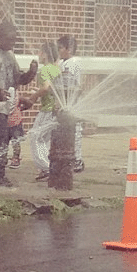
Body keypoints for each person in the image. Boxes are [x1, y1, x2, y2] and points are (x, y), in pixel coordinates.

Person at [0, 20, 37, 187]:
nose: (12, 43)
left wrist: (32, 72)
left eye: (14, 40)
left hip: (5, 107)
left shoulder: (10, 55)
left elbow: (19, 79)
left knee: (3, 140)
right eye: (9, 39)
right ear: (0, 37)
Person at [26, 41, 62, 181]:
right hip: (56, 110)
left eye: (40, 52)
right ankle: (45, 169)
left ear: (46, 54)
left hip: (47, 110)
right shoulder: (57, 69)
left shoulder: (45, 70)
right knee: (45, 140)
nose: (39, 55)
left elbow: (46, 87)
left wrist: (34, 96)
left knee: (35, 136)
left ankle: (48, 168)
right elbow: (53, 89)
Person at [57, 35, 85, 173]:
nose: (59, 50)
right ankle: (66, 157)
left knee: (76, 131)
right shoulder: (62, 63)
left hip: (72, 101)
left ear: (69, 49)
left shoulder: (74, 63)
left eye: (61, 48)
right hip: (64, 101)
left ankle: (77, 160)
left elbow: (77, 84)